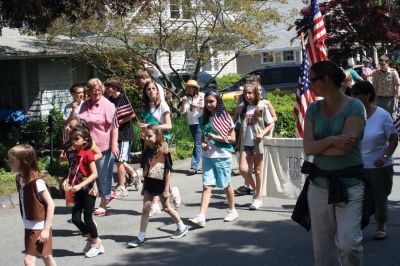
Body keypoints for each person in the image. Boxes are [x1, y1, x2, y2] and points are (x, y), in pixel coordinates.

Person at [303, 61, 366, 266]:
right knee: (323, 250)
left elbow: (344, 148)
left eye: (312, 80)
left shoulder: (355, 106)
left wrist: (320, 145)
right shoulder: (313, 109)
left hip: (350, 184)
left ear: (326, 79)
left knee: (349, 244)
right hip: (319, 184)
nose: (309, 85)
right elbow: (308, 148)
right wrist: (331, 140)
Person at [351, 81, 398, 240]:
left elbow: (393, 138)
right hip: (358, 165)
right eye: (353, 94)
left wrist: (384, 156)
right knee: (358, 197)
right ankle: (357, 226)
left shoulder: (382, 115)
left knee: (379, 196)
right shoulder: (352, 115)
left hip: (379, 165)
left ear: (368, 96)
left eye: (357, 94)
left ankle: (380, 225)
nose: (354, 97)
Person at [127, 124, 188, 247]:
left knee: (166, 207)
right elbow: (145, 168)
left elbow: (167, 171)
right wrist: (142, 183)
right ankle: (141, 237)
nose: (147, 138)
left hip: (161, 183)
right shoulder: (146, 149)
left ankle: (181, 226)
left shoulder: (163, 151)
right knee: (145, 209)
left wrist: (166, 189)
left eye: (150, 136)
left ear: (158, 136)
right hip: (149, 182)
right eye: (146, 136)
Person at [188, 90, 238, 227]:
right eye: (207, 101)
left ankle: (232, 210)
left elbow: (233, 139)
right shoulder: (203, 118)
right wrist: (203, 144)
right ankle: (201, 216)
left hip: (222, 155)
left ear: (218, 102)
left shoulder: (225, 117)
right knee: (207, 186)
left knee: (225, 184)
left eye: (212, 101)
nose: (209, 104)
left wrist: (216, 138)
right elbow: (204, 138)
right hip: (208, 156)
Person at [8, 144, 57, 266]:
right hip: (29, 225)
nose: (9, 163)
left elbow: (51, 204)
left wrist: (46, 229)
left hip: (39, 226)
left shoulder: (37, 181)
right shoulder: (20, 178)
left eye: (12, 161)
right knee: (46, 256)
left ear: (25, 161)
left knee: (28, 260)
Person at [140, 80, 181, 216]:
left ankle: (156, 204)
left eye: (153, 88)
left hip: (161, 141)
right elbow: (147, 126)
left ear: (157, 90)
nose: (151, 91)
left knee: (157, 172)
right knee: (153, 171)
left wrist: (152, 127)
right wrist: (144, 130)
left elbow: (168, 125)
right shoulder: (145, 106)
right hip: (148, 141)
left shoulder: (162, 105)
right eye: (148, 89)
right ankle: (171, 191)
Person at [79, 78, 119, 216]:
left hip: (103, 147)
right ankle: (90, 201)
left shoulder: (107, 105)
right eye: (92, 90)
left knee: (103, 176)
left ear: (101, 89)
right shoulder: (84, 105)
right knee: (88, 175)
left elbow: (114, 126)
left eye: (97, 89)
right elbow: (79, 123)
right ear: (88, 91)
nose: (95, 92)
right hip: (86, 147)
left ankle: (104, 201)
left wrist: (114, 144)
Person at [64, 124, 105, 258]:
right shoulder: (72, 153)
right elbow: (73, 171)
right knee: (75, 219)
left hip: (88, 189)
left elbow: (94, 174)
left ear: (85, 140)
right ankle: (93, 240)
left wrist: (81, 185)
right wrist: (67, 180)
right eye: (72, 138)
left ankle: (96, 244)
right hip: (76, 189)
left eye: (77, 138)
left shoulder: (88, 153)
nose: (73, 141)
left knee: (88, 218)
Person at [234, 74, 277, 196]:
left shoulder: (264, 104)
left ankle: (257, 194)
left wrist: (263, 132)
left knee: (257, 170)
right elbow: (239, 122)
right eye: (246, 93)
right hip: (245, 142)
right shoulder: (242, 106)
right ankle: (256, 189)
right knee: (243, 169)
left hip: (258, 140)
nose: (247, 95)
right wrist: (236, 140)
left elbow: (272, 120)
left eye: (251, 93)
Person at [104, 76, 142, 197]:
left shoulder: (123, 98)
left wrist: (118, 122)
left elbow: (131, 115)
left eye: (109, 87)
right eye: (107, 87)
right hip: (115, 134)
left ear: (115, 87)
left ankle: (122, 187)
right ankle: (133, 174)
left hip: (124, 133)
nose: (107, 89)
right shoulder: (110, 99)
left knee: (120, 161)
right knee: (117, 159)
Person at [179, 79, 205, 175]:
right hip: (191, 123)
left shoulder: (202, 96)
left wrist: (197, 105)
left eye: (191, 87)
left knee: (197, 144)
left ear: (195, 88)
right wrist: (183, 102)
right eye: (188, 87)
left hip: (200, 122)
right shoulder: (186, 98)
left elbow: (207, 107)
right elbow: (181, 112)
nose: (189, 89)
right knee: (201, 143)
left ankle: (194, 167)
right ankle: (206, 164)